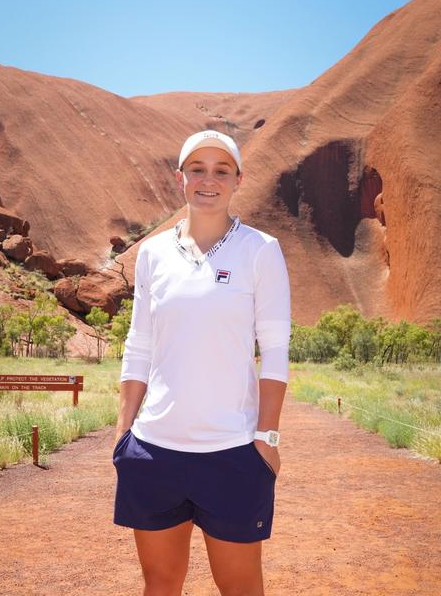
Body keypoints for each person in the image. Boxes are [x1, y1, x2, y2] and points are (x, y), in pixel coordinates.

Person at [112, 129, 291, 596]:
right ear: (180, 178)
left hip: (232, 451)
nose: (208, 180)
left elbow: (274, 349)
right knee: (161, 584)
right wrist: (123, 432)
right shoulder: (152, 253)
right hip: (154, 450)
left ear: (237, 180)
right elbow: (139, 342)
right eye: (197, 169)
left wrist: (267, 437)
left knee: (241, 588)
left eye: (221, 170)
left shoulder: (260, 250)